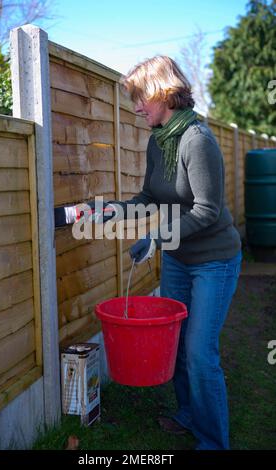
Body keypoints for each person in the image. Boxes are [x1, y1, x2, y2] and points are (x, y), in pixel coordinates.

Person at [54, 55, 242, 450]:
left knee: (199, 353)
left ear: (163, 93)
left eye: (141, 97)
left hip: (214, 261)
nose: (136, 107)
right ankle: (189, 414)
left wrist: (156, 238)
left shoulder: (198, 140)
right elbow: (148, 197)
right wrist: (111, 209)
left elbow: (207, 211)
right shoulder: (159, 140)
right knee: (178, 348)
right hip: (178, 257)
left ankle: (213, 441)